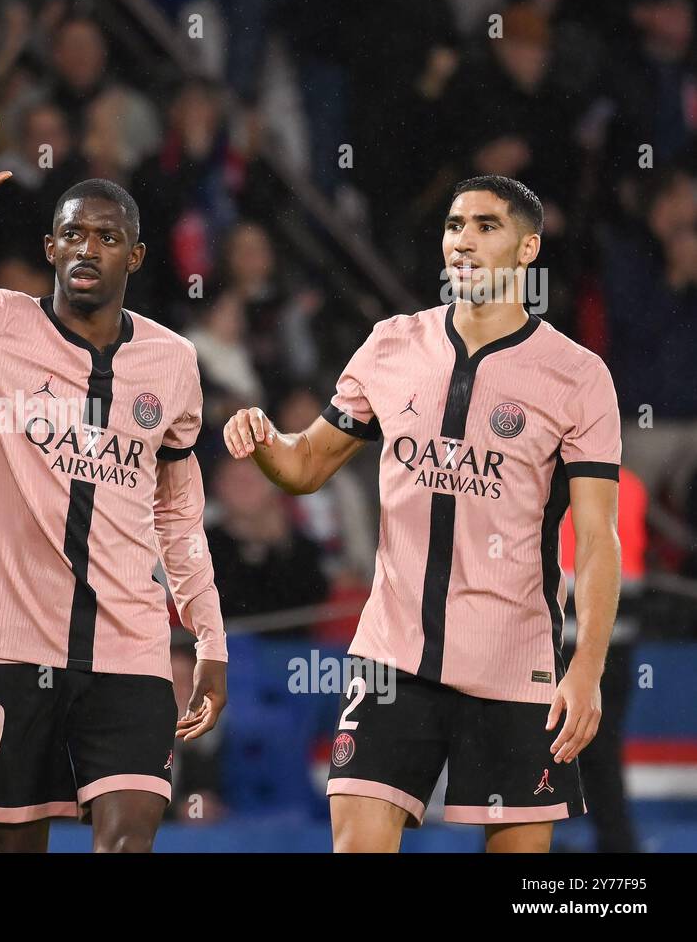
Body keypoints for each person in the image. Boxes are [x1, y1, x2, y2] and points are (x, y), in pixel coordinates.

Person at [0, 106, 229, 853]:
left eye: (107, 236)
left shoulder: (173, 364)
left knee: (127, 841)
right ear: (49, 248)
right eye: (72, 234)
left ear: (137, 255)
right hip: (13, 645)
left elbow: (179, 521)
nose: (87, 248)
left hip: (131, 649)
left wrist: (210, 641)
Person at [224, 175, 622, 853]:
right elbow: (305, 466)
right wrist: (266, 444)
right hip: (391, 661)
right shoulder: (390, 345)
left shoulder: (577, 376)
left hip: (513, 667)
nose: (463, 240)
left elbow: (595, 540)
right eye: (454, 225)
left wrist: (585, 668)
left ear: (528, 250)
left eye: (485, 227)